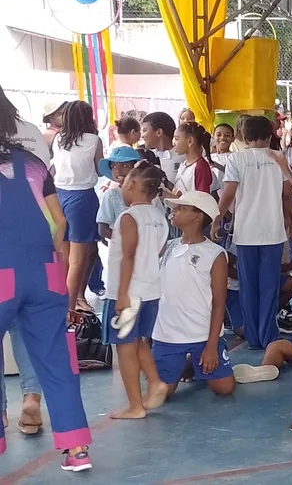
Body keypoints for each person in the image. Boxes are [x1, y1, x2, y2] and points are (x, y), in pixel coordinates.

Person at [0, 91, 94, 470]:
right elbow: (61, 223)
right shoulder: (33, 164)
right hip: (45, 272)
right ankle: (76, 449)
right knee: (57, 361)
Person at [214, 116, 292, 349]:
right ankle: (268, 335)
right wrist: (290, 218)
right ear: (270, 136)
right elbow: (287, 194)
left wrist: (217, 218)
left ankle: (253, 336)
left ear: (243, 137)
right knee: (269, 285)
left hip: (246, 231)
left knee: (248, 286)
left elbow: (228, 193)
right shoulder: (278, 157)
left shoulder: (236, 159)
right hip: (273, 231)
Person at [105, 162, 171, 419]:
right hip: (150, 291)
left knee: (124, 347)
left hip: (129, 294)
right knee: (137, 341)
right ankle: (155, 383)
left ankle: (135, 405)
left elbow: (129, 256)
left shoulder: (129, 217)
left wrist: (122, 294)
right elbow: (156, 252)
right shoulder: (159, 217)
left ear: (133, 184)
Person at [153, 192, 235, 398]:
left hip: (202, 335)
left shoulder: (214, 254)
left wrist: (211, 345)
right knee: (162, 394)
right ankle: (185, 363)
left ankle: (193, 361)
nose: (174, 211)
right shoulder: (167, 247)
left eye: (181, 208)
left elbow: (219, 303)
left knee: (224, 389)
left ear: (196, 217)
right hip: (167, 335)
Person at [50, 101, 104, 314]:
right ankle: (70, 309)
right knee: (78, 260)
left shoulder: (58, 139)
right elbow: (100, 171)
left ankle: (59, 304)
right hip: (82, 198)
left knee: (64, 258)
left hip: (59, 196)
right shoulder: (93, 140)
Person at [170, 123, 214, 195]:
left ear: (190, 141)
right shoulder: (184, 164)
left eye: (176, 138)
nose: (173, 143)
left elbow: (203, 199)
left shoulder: (200, 167)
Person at [142, 112, 182, 185]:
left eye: (144, 130)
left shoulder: (183, 157)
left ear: (159, 132)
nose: (142, 136)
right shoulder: (147, 157)